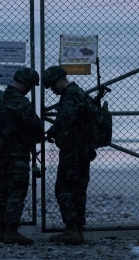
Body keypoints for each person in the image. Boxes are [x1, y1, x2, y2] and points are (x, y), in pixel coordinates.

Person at [42, 65, 96, 245]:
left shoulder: (70, 96)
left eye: (51, 86)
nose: (52, 91)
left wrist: (55, 134)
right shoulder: (79, 93)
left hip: (73, 150)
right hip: (83, 149)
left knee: (64, 188)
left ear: (58, 80)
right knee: (79, 189)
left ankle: (71, 229)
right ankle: (78, 230)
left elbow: (65, 122)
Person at [0, 67, 44, 245]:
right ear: (27, 84)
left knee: (3, 191)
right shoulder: (20, 102)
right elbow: (37, 126)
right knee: (16, 192)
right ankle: (12, 231)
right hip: (17, 154)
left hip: (0, 154)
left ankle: (2, 230)